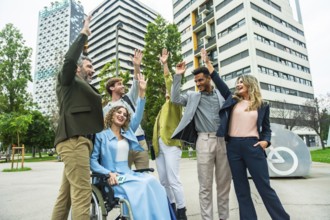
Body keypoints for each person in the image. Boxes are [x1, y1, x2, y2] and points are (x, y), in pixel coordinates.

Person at [201, 48, 290, 220]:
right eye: (237, 82)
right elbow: (218, 82)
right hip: (233, 147)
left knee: (264, 188)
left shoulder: (262, 105)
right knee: (241, 190)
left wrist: (266, 142)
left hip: (253, 147)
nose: (238, 84)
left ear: (250, 84)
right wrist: (207, 63)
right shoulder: (233, 100)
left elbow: (266, 128)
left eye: (241, 82)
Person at [90, 74, 173, 220]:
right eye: (118, 112)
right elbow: (93, 162)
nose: (122, 115)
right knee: (144, 185)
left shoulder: (128, 133)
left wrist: (142, 93)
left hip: (128, 174)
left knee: (154, 183)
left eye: (124, 114)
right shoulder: (101, 135)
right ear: (111, 114)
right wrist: (108, 173)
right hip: (112, 179)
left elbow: (138, 115)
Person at [51, 16, 104, 220]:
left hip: (78, 142)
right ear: (77, 69)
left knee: (65, 197)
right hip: (74, 141)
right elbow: (70, 60)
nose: (92, 70)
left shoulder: (79, 86)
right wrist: (84, 34)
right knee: (82, 194)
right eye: (88, 67)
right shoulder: (67, 80)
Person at [171, 60, 232, 220]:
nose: (198, 84)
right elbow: (175, 98)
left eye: (201, 80)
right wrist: (178, 76)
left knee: (224, 185)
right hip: (204, 141)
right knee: (205, 186)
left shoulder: (221, 95)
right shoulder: (192, 96)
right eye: (196, 81)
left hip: (223, 142)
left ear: (209, 78)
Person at [152, 48, 187, 219]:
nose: (168, 90)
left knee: (173, 180)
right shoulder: (162, 108)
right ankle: (171, 206)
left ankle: (182, 211)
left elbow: (169, 81)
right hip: (160, 148)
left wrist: (165, 65)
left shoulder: (175, 104)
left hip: (172, 144)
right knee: (164, 181)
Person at [103, 49, 149, 170]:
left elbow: (136, 83)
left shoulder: (129, 99)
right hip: (122, 145)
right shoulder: (106, 109)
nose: (123, 86)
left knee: (144, 175)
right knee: (124, 176)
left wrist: (136, 66)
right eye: (119, 84)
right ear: (112, 88)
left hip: (140, 141)